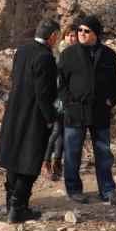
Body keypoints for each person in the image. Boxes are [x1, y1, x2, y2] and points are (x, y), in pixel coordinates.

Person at [0, 19, 60, 223]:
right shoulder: (45, 57)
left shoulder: (22, 51)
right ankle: (18, 208)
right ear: (53, 37)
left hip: (15, 111)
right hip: (34, 116)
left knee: (14, 159)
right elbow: (44, 94)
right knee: (29, 162)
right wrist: (51, 118)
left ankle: (10, 205)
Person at [58, 15, 116, 205]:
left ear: (96, 34)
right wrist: (68, 103)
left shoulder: (108, 54)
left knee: (103, 152)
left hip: (100, 111)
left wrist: (112, 99)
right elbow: (61, 83)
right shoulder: (68, 54)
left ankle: (107, 190)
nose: (81, 34)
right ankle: (74, 190)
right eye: (80, 30)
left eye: (86, 31)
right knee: (72, 152)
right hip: (75, 112)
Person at [42, 24, 77, 181]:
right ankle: (46, 162)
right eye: (69, 35)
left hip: (71, 98)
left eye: (74, 35)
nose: (72, 38)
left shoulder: (78, 53)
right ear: (64, 36)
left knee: (63, 131)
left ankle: (57, 162)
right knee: (56, 130)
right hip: (57, 97)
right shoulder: (58, 53)